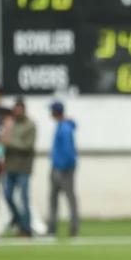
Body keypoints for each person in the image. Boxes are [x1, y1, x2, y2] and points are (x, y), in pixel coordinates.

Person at [1, 98, 36, 236]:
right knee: (7, 195)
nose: (17, 112)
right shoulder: (10, 123)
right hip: (9, 166)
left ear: (24, 110)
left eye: (19, 109)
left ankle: (26, 229)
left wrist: (9, 142)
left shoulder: (30, 125)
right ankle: (17, 218)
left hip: (23, 167)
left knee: (24, 198)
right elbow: (2, 142)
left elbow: (27, 146)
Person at [47, 101, 79, 237]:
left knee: (67, 199)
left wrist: (63, 168)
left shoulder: (64, 128)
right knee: (56, 199)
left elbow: (68, 152)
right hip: (59, 167)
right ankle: (53, 229)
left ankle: (72, 229)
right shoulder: (62, 126)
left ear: (56, 112)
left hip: (63, 170)